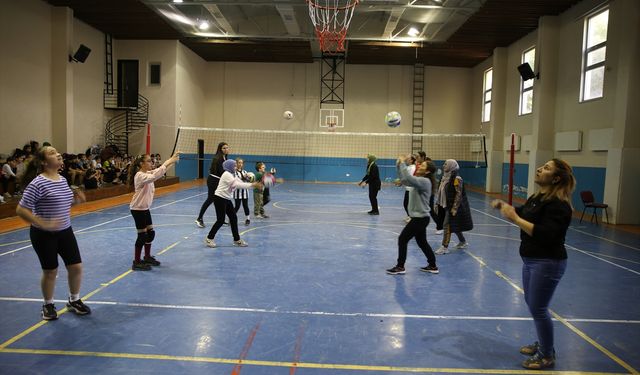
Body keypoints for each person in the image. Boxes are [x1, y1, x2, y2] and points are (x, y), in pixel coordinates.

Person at [491, 158, 575, 370]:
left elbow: (546, 234)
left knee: (538, 308)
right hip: (531, 260)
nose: (539, 169)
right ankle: (544, 343)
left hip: (547, 262)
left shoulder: (559, 205)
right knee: (533, 303)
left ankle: (547, 355)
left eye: (546, 168)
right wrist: (507, 207)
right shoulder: (538, 198)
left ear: (556, 178)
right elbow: (525, 213)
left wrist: (515, 219)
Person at [15, 146, 91, 320]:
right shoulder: (38, 183)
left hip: (65, 231)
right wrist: (42, 223)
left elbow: (62, 204)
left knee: (76, 267)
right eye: (51, 153)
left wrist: (76, 201)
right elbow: (21, 210)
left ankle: (74, 300)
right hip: (43, 235)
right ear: (43, 162)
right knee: (50, 271)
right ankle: (47, 304)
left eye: (57, 152)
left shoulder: (62, 179)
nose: (58, 154)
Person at [128, 152, 180, 271]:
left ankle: (146, 257)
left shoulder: (147, 173)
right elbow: (156, 175)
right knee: (142, 236)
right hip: (137, 209)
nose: (151, 163)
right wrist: (170, 160)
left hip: (145, 208)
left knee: (150, 234)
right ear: (141, 164)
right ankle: (136, 262)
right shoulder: (140, 175)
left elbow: (160, 171)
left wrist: (172, 161)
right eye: (149, 161)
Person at [386, 157, 439, 275]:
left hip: (420, 219)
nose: (419, 166)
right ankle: (433, 265)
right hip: (420, 218)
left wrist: (404, 163)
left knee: (402, 239)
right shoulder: (421, 180)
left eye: (423, 166)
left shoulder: (425, 181)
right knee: (422, 242)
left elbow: (408, 178)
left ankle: (400, 267)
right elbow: (405, 180)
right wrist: (399, 165)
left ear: (428, 171)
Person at [205, 159, 261, 248]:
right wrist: (252, 185)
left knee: (233, 218)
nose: (236, 167)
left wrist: (251, 182)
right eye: (234, 165)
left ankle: (237, 240)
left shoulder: (232, 174)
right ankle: (209, 238)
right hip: (219, 198)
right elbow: (237, 185)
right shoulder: (227, 175)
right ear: (229, 167)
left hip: (226, 199)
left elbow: (240, 182)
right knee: (220, 220)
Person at [434, 159, 473, 254]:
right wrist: (437, 203)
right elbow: (440, 192)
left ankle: (444, 247)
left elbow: (458, 195)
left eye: (446, 164)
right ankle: (462, 241)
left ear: (452, 166)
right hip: (445, 204)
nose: (443, 165)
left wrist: (454, 208)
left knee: (447, 225)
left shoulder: (457, 179)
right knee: (454, 224)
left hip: (454, 206)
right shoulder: (444, 177)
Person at [196, 142, 230, 228]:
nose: (226, 149)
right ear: (220, 149)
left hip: (218, 181)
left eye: (227, 148)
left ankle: (220, 219)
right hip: (213, 181)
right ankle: (199, 218)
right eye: (224, 148)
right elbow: (221, 171)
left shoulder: (225, 157)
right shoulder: (218, 158)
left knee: (219, 200)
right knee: (210, 199)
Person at [396, 154, 416, 223]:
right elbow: (403, 176)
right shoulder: (409, 167)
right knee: (406, 204)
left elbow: (406, 178)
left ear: (411, 160)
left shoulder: (412, 168)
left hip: (411, 189)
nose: (406, 160)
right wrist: (398, 166)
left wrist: (401, 163)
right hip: (408, 188)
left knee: (407, 204)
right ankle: (409, 216)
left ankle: (411, 217)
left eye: (407, 159)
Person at [233, 158, 252, 225]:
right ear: (236, 163)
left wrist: (249, 178)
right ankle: (231, 218)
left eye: (242, 163)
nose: (240, 164)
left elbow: (248, 181)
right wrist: (244, 178)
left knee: (245, 205)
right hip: (237, 192)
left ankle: (248, 219)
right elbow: (237, 181)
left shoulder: (245, 172)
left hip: (245, 192)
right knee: (237, 206)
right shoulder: (234, 172)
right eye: (239, 163)